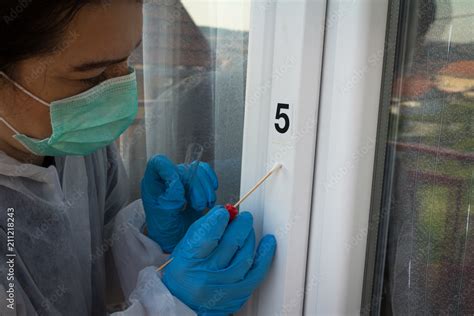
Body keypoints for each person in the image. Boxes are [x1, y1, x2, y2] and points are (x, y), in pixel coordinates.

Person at [0, 1, 276, 315]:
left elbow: (85, 275)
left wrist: (152, 239)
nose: (120, 94)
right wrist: (170, 306)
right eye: (92, 76)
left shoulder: (77, 148)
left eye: (128, 59)